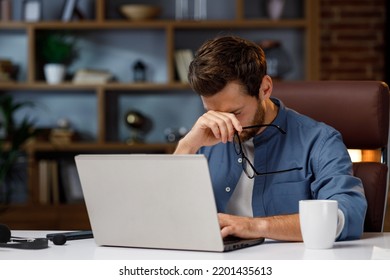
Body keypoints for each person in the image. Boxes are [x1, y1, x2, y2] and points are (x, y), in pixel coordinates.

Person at [174, 35, 367, 241]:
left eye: (236, 112)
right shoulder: (203, 138)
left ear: (265, 88)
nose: (225, 124)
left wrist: (256, 226)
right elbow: (163, 210)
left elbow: (348, 215)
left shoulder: (320, 141)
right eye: (213, 112)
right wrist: (186, 146)